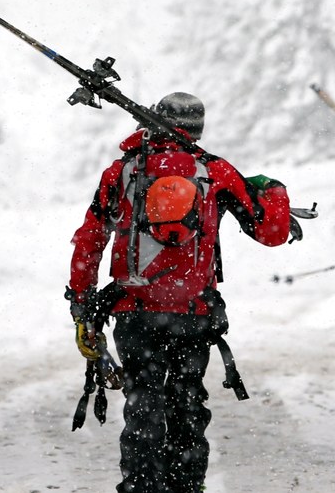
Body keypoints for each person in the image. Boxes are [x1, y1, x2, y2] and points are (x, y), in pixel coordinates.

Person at [67, 92, 295, 493]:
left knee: (143, 405)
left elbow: (90, 239)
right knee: (187, 404)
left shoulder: (122, 172)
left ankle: (140, 486)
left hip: (134, 310)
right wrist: (272, 189)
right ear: (199, 129)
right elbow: (271, 233)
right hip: (193, 314)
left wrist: (82, 300)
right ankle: (187, 485)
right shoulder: (216, 172)